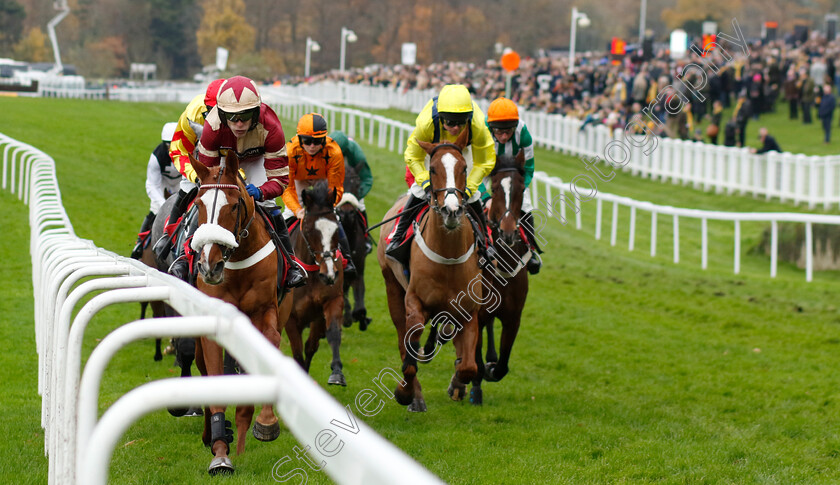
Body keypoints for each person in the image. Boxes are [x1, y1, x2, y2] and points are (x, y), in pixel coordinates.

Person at [195, 75, 306, 288]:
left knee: (269, 205)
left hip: (257, 162)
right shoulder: (212, 126)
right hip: (222, 162)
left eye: (245, 116)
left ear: (256, 113)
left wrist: (261, 192)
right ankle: (186, 256)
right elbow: (207, 175)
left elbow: (280, 179)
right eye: (232, 117)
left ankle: (290, 263)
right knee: (208, 202)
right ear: (222, 114)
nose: (238, 123)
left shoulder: (271, 127)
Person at [385, 84, 496, 266]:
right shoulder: (426, 124)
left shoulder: (478, 126)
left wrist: (469, 188)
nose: (455, 128)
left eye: (461, 123)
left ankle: (486, 243)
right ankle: (397, 238)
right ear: (442, 118)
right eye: (450, 123)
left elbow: (485, 162)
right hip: (434, 149)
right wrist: (426, 183)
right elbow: (413, 156)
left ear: (468, 119)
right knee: (418, 191)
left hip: (463, 150)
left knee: (474, 195)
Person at [152, 78, 225, 270]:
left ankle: (285, 256)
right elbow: (179, 151)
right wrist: (195, 176)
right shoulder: (193, 112)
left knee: (261, 201)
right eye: (212, 111)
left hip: (231, 165)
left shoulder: (243, 114)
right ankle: (177, 249)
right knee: (186, 192)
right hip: (199, 164)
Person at [281, 113, 357, 278]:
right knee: (283, 218)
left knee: (332, 217)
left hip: (323, 182)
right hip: (298, 182)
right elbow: (286, 188)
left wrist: (326, 207)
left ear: (325, 138)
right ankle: (279, 260)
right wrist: (298, 211)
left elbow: (336, 187)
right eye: (307, 141)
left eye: (318, 141)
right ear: (299, 138)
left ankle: (348, 259)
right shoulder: (290, 152)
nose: (313, 145)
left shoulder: (334, 152)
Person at [479, 97, 542, 274]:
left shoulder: (523, 133)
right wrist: (486, 197)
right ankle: (474, 247)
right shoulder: (480, 132)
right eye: (499, 132)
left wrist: (519, 191)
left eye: (508, 131)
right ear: (492, 128)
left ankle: (530, 251)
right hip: (484, 169)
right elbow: (474, 171)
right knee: (472, 202)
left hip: (513, 173)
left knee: (526, 206)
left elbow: (528, 168)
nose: (504, 136)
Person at [130, 122, 181, 259]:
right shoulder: (156, 157)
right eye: (168, 144)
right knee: (154, 209)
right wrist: (163, 204)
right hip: (162, 184)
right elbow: (152, 185)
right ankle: (139, 244)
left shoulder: (189, 151)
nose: (172, 148)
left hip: (182, 182)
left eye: (175, 143)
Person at [330, 129, 374, 254]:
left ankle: (366, 238)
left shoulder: (356, 154)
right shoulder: (323, 148)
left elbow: (367, 179)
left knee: (360, 205)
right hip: (332, 182)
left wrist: (356, 195)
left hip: (352, 184)